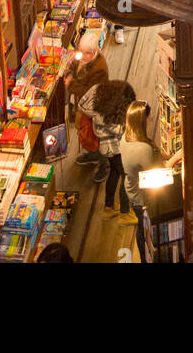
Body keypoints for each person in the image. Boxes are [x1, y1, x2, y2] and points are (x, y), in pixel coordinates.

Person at [118, 100, 161, 260]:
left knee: (141, 228)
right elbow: (157, 175)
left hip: (132, 191)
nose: (150, 120)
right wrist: (176, 158)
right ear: (143, 121)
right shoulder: (143, 149)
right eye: (148, 117)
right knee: (145, 231)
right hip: (142, 197)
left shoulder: (126, 138)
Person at [76, 78, 137, 188]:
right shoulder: (108, 118)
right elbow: (120, 130)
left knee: (114, 172)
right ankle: (124, 204)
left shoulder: (96, 89)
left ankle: (108, 203)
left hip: (105, 148)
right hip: (114, 149)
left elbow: (81, 105)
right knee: (127, 177)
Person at [65, 30, 109, 162]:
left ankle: (102, 161)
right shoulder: (85, 56)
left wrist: (71, 83)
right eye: (81, 52)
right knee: (84, 129)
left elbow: (88, 92)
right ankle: (92, 154)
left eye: (87, 53)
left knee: (93, 133)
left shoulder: (99, 68)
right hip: (81, 103)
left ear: (95, 51)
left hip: (93, 105)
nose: (83, 56)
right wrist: (69, 72)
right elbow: (75, 64)